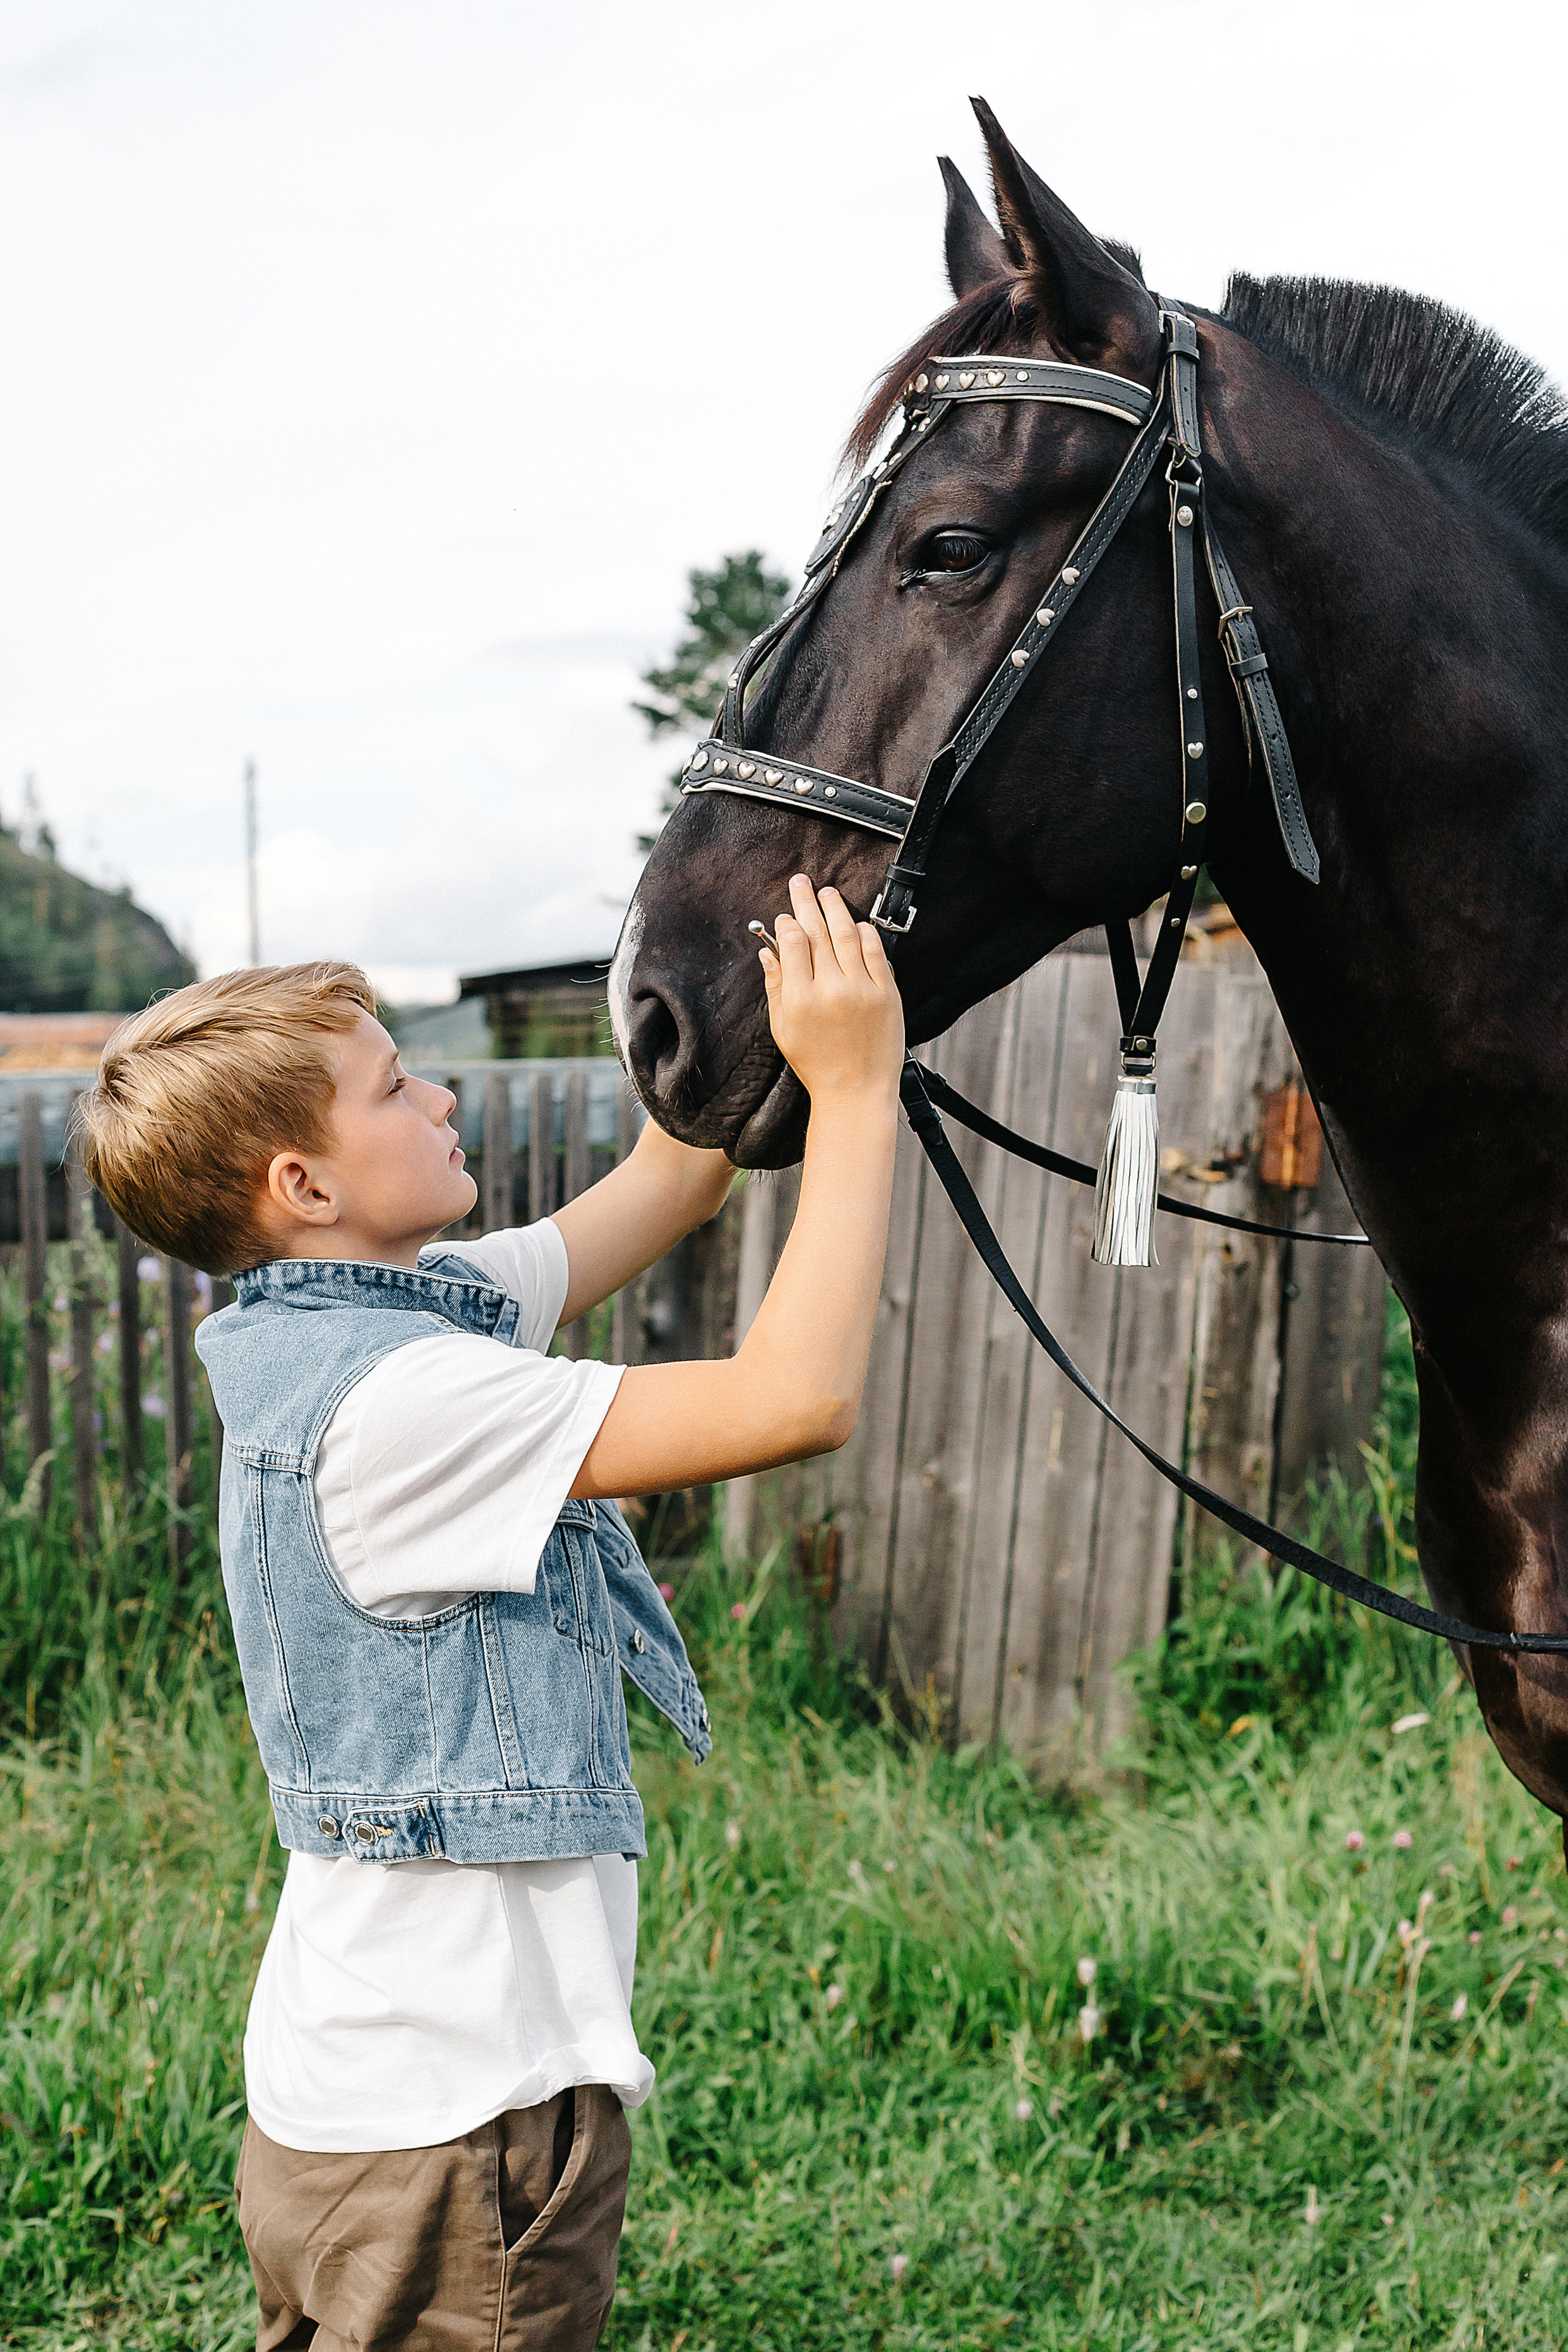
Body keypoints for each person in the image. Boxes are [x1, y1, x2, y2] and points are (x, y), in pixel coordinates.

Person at [76, 875, 903, 2352]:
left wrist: (745, 989)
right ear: (304, 1188)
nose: (443, 1091)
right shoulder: (406, 1402)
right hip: (457, 2130)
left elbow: (672, 1177)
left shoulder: (392, 1314)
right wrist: (858, 1088)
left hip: (370, 2107)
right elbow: (803, 1395)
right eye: (395, 1085)